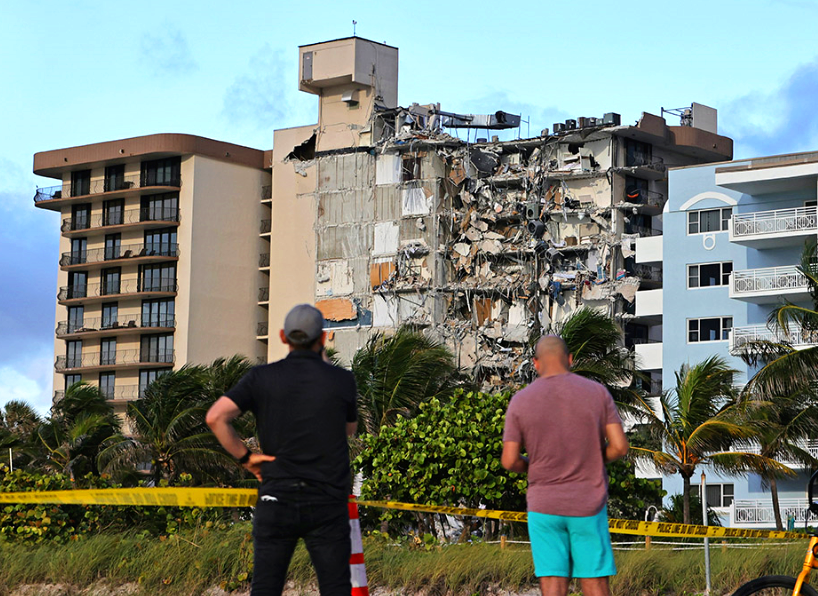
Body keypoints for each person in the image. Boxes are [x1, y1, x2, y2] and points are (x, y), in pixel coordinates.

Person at [206, 304, 358, 596]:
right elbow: (348, 430)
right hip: (327, 500)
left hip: (277, 495)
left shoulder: (261, 378)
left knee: (266, 587)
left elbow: (215, 417)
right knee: (335, 588)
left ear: (282, 337)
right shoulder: (342, 380)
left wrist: (246, 458)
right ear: (323, 338)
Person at [501, 335, 628, 596]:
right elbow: (619, 446)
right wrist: (591, 458)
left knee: (552, 584)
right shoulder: (597, 393)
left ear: (535, 363)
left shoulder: (521, 401)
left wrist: (533, 466)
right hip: (587, 505)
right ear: (570, 360)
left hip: (544, 505)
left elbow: (509, 459)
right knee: (594, 581)